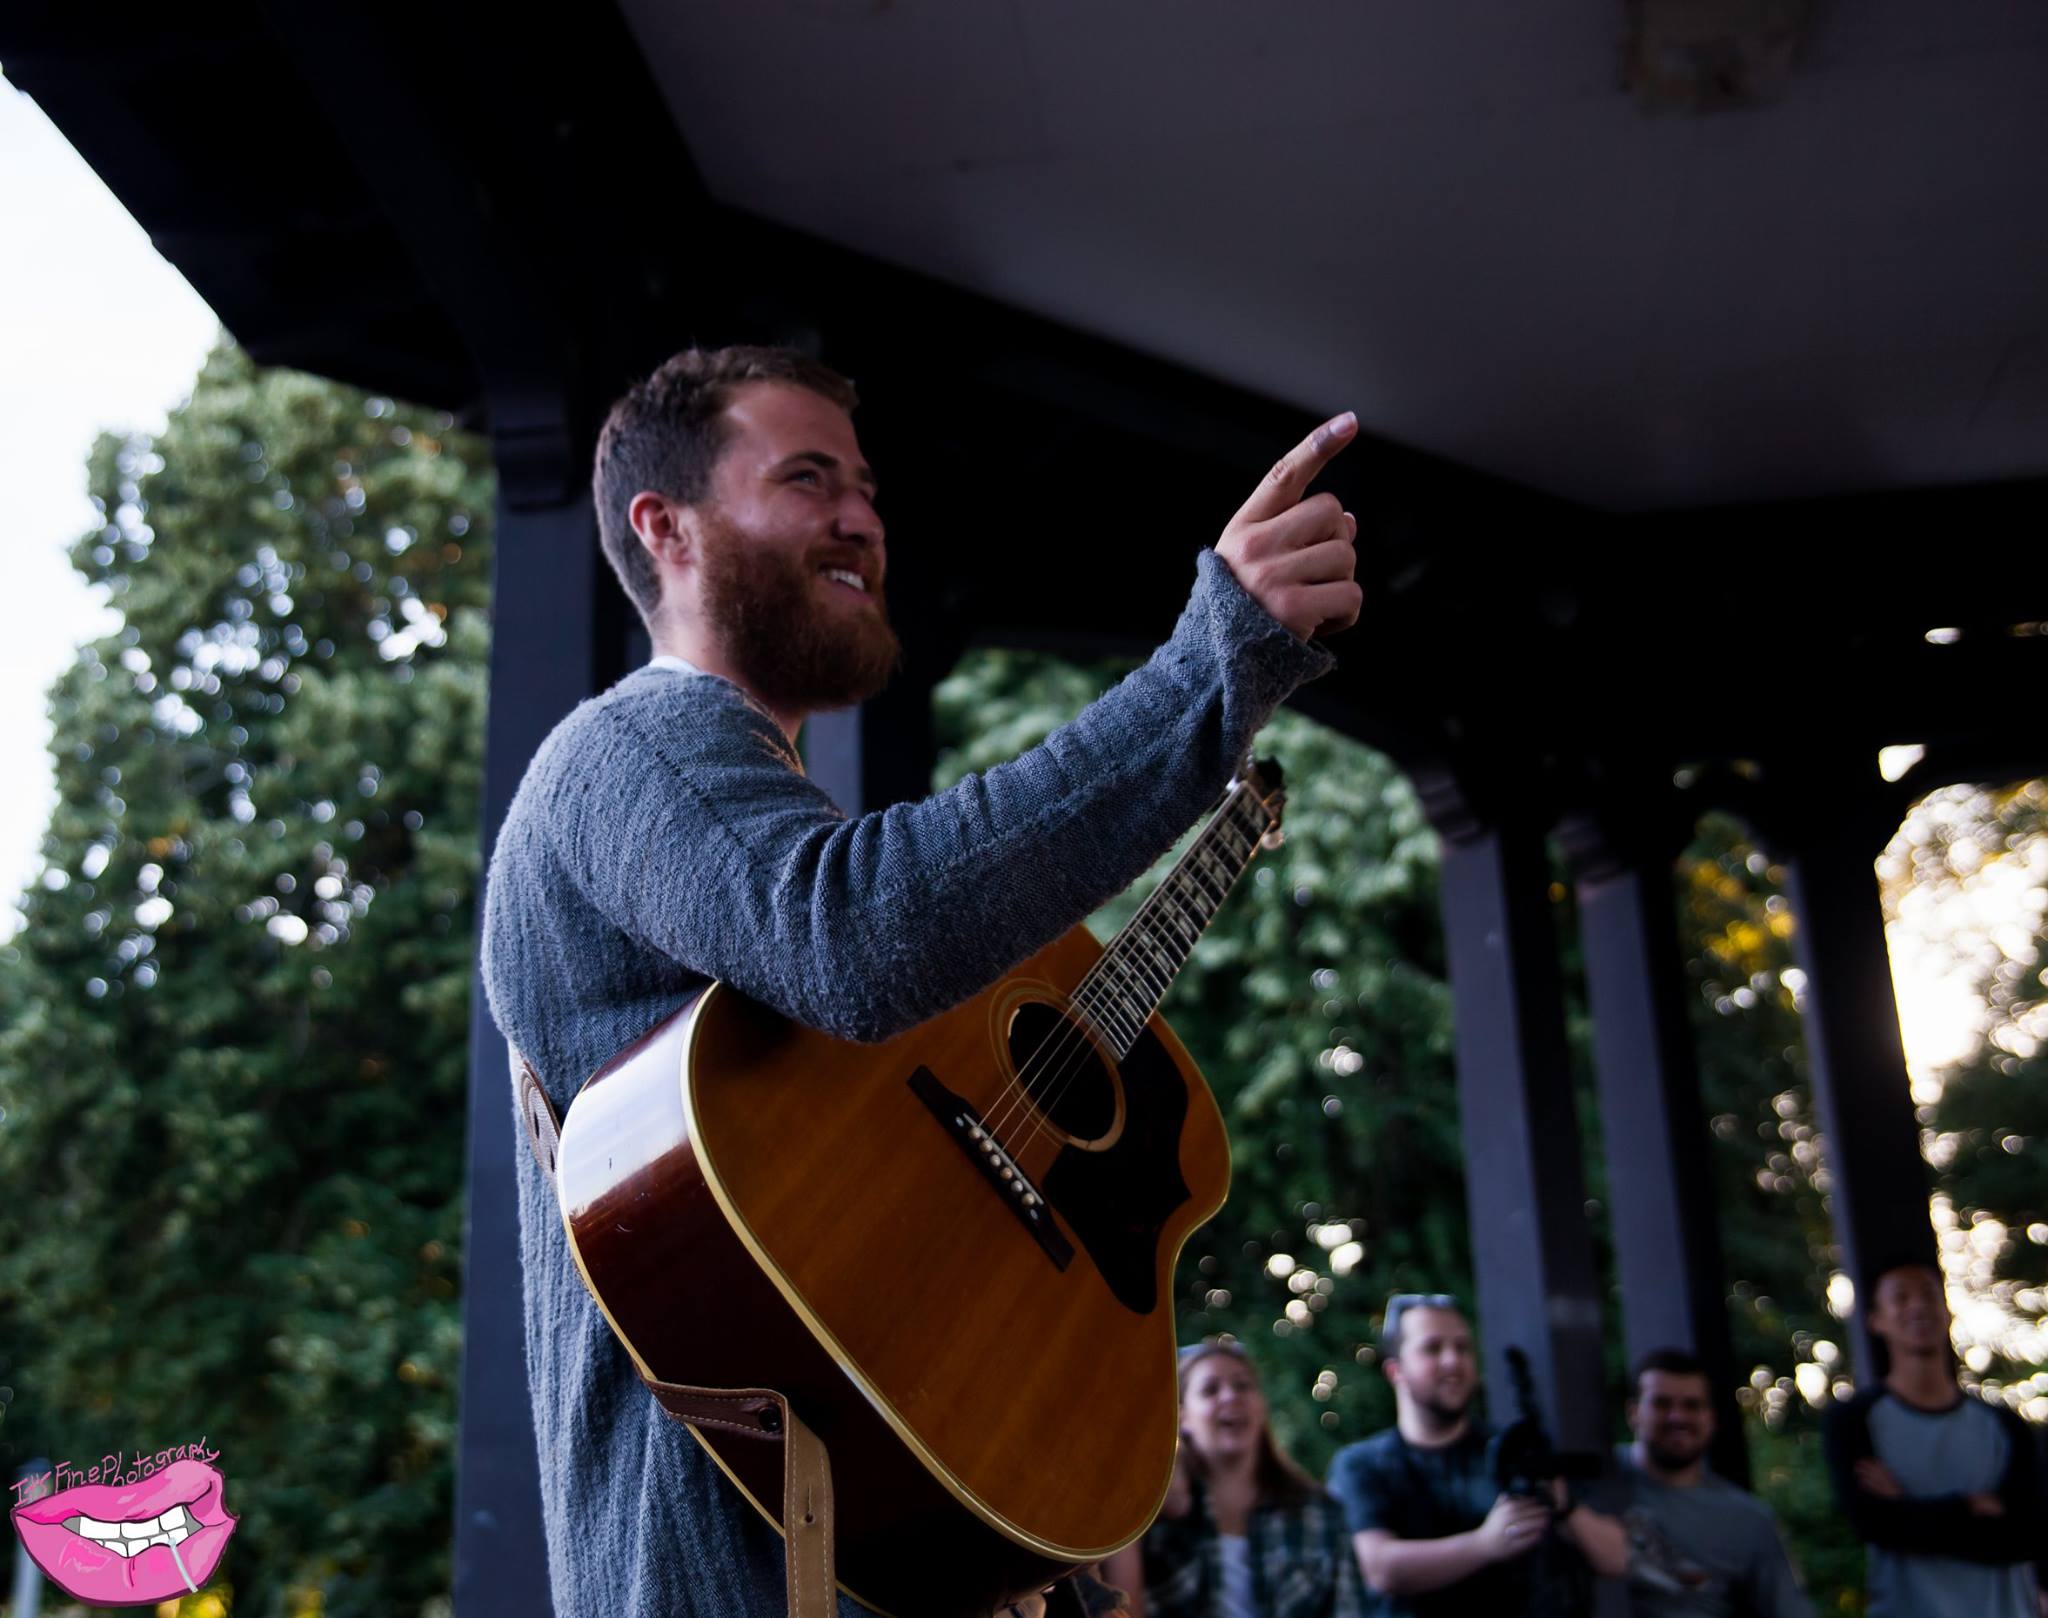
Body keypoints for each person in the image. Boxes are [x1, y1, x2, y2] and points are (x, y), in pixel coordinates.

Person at [479, 344, 1363, 1617]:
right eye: (807, 478)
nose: (861, 518)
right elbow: (854, 934)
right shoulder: (630, 747)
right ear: (663, 528)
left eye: (867, 488)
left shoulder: (742, 823)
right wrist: (1211, 665)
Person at [1324, 1293, 1627, 1617]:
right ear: (1395, 1370)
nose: (1453, 1361)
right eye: (1433, 1348)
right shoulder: (1362, 1466)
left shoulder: (1513, 1451)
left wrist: (1564, 1503)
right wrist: (1485, 1544)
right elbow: (1379, 1568)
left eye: (1462, 1347)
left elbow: (1617, 1557)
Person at [1822, 1258, 2046, 1618]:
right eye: (1901, 1297)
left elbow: (2027, 1536)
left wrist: (1908, 1505)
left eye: (1929, 1294)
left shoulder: (2004, 1424)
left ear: (1947, 1310)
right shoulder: (1853, 1421)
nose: (1918, 1306)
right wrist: (1970, 1508)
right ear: (1875, 1320)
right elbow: (1874, 1524)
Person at [1100, 1341, 1367, 1618]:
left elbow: (1349, 1608)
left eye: (1242, 1386)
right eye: (1210, 1389)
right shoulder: (1153, 1514)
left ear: (1261, 1407)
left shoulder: (1318, 1512)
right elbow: (1121, 1608)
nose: (1230, 1396)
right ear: (1182, 1417)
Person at [1587, 1348, 1810, 1618]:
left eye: (1692, 1405)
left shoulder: (1749, 1520)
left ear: (1711, 1418)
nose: (1678, 1417)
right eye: (1662, 1403)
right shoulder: (1589, 1480)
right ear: (1634, 1412)